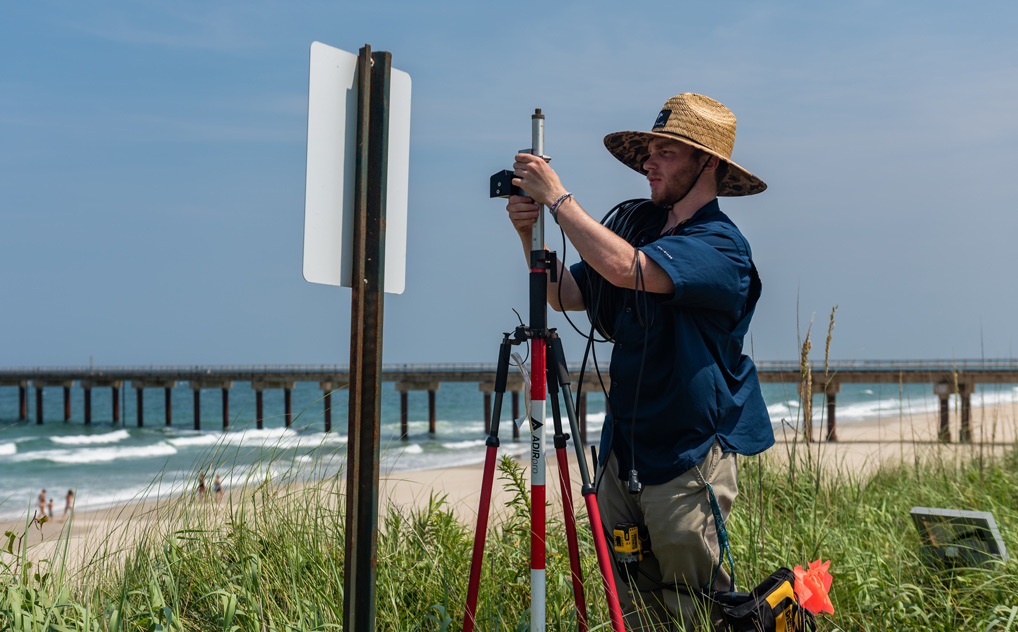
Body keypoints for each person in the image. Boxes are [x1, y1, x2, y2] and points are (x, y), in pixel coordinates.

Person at [505, 93, 774, 630]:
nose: (648, 162)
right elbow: (567, 295)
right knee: (628, 604)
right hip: (622, 448)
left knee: (692, 606)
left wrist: (560, 200)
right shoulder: (640, 229)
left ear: (709, 163)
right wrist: (528, 231)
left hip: (689, 452)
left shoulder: (721, 246)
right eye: (648, 151)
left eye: (667, 152)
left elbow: (631, 269)